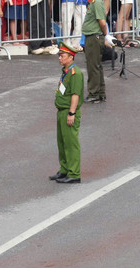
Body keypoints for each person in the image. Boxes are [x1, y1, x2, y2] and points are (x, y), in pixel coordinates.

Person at [51, 41, 83, 184]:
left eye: (62, 55)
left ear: (71, 57)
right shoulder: (66, 71)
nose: (59, 58)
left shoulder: (76, 73)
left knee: (71, 144)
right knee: (62, 143)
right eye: (59, 55)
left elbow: (75, 95)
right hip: (61, 111)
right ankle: (64, 169)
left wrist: (71, 113)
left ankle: (74, 173)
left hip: (68, 112)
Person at [81, 0, 112, 104]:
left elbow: (102, 22)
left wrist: (106, 35)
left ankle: (94, 94)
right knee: (97, 66)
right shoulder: (94, 2)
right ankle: (100, 93)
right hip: (93, 36)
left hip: (94, 37)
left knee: (93, 66)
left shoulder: (96, 2)